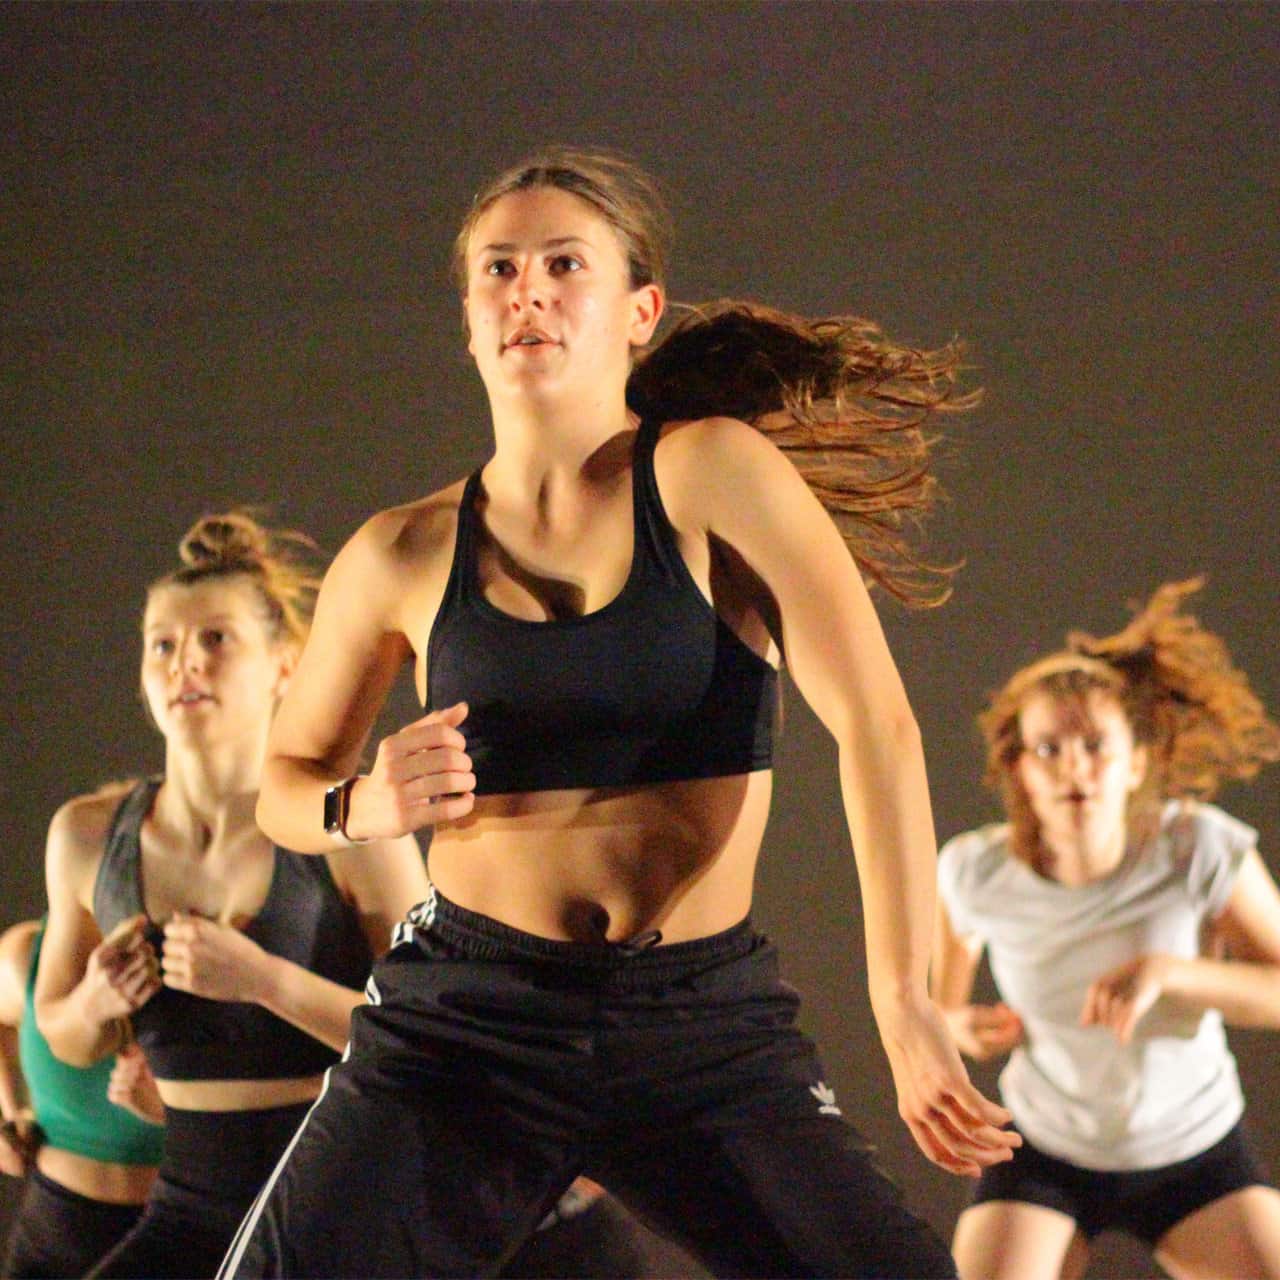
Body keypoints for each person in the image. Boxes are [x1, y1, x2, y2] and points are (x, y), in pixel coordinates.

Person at [217, 145, 1018, 1280]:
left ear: (639, 309)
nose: (526, 290)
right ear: (467, 317)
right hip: (466, 1023)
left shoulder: (709, 474)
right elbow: (285, 785)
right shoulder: (398, 550)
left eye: (562, 263)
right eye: (496, 269)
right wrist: (363, 802)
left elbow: (877, 726)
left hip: (700, 1024)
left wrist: (905, 1002)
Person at [31, 513, 435, 1279]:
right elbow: (65, 1036)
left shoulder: (348, 822)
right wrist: (93, 1002)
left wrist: (265, 981)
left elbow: (429, 1033)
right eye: (163, 644)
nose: (185, 663)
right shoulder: (87, 837)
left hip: (334, 1195)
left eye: (216, 640)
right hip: (190, 1201)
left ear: (286, 665)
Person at [932, 579, 1280, 1280]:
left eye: (1095, 744)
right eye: (1049, 749)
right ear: (1020, 771)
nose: (1075, 769)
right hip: (1046, 1149)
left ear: (1137, 762)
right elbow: (942, 1011)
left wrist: (1169, 971)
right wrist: (964, 1032)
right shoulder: (976, 870)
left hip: (1193, 1147)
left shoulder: (1198, 848)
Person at [0, 917, 163, 1278]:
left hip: (176, 1233)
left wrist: (167, 1113)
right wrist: (11, 1114)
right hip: (57, 1231)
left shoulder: (198, 955)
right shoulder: (26, 956)